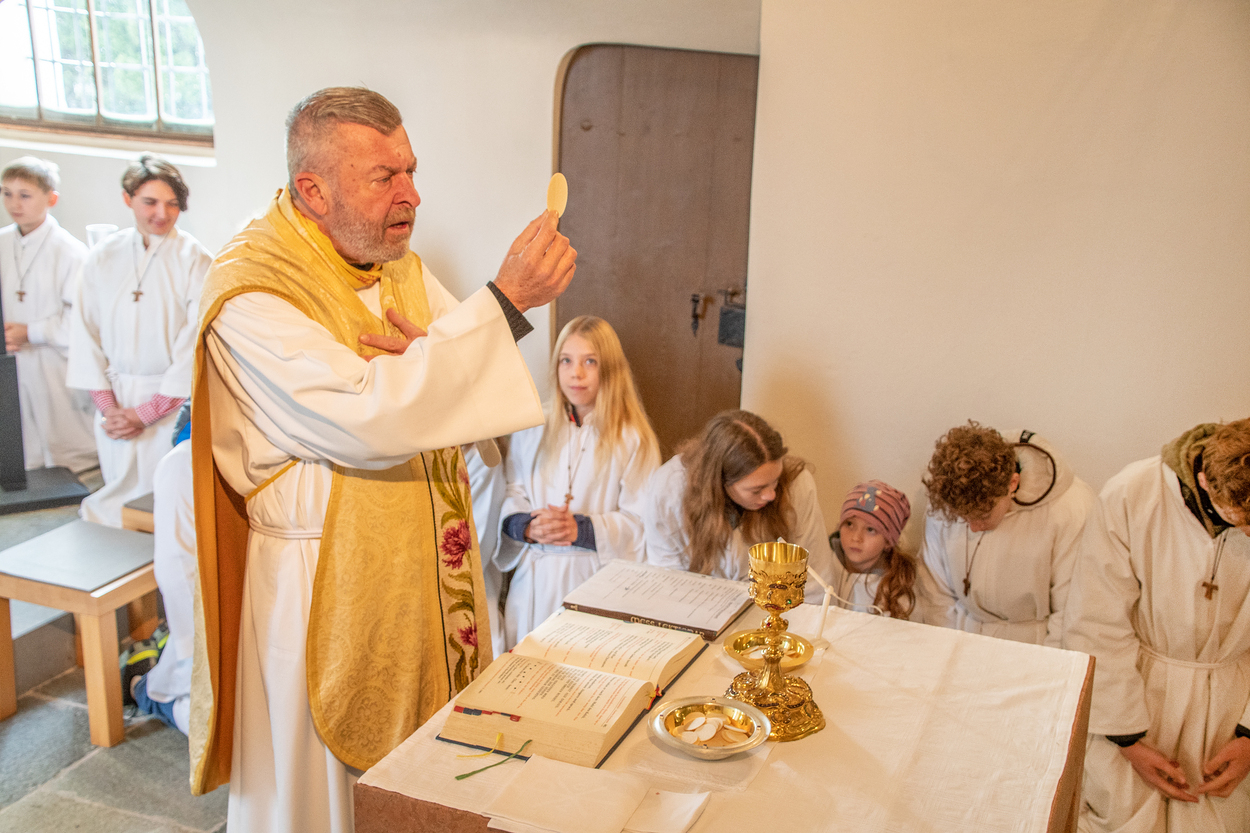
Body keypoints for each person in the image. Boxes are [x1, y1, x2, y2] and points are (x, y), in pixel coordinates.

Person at [189, 87, 575, 833]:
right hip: (318, 583)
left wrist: (433, 362)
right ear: (313, 190)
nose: (412, 195)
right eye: (385, 177)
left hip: (421, 568)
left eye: (411, 170)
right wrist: (502, 303)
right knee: (322, 801)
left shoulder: (394, 263)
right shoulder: (252, 292)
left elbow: (449, 378)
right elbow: (366, 415)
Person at [1063, 419, 1250, 832]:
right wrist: (1127, 739)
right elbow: (1096, 621)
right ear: (1205, 481)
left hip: (1233, 707)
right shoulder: (1133, 493)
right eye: (1239, 520)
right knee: (1123, 816)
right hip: (1139, 695)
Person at [495, 315, 659, 648]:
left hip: (596, 581)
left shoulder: (633, 438)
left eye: (590, 362)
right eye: (566, 361)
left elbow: (642, 522)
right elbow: (512, 490)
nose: (576, 373)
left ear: (609, 369)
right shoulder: (532, 426)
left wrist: (580, 529)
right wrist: (526, 526)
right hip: (534, 579)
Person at [66, 154, 211, 526]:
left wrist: (146, 413)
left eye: (172, 204)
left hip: (166, 405)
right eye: (150, 202)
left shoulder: (195, 260)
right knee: (114, 501)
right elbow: (84, 330)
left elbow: (194, 342)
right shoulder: (103, 255)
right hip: (115, 400)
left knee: (160, 507)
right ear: (127, 199)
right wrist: (109, 408)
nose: (162, 213)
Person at [921, 422, 1094, 647]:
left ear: (1012, 483)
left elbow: (1071, 609)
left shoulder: (1069, 507)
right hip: (962, 641)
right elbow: (936, 594)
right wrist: (945, 650)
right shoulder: (948, 495)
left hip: (1034, 646)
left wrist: (1050, 663)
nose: (973, 528)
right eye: (964, 518)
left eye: (983, 516)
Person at [644, 409, 836, 599]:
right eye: (757, 490)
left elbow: (814, 577)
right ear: (719, 482)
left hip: (774, 607)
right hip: (696, 603)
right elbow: (667, 574)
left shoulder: (797, 485)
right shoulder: (669, 488)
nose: (771, 495)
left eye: (775, 481)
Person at [0, 157, 97, 473]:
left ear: (51, 198)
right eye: (7, 193)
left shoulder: (70, 252)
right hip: (12, 361)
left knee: (67, 455)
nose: (14, 204)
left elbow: (83, 319)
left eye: (25, 195)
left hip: (53, 363)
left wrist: (31, 331)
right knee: (20, 452)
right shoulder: (2, 242)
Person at [127, 404, 195, 733]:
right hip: (212, 629)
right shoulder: (185, 461)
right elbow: (178, 569)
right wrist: (192, 653)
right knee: (206, 717)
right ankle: (145, 689)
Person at [829, 480, 934, 620]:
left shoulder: (898, 587)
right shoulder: (825, 563)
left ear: (888, 541)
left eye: (870, 529)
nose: (856, 538)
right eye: (849, 524)